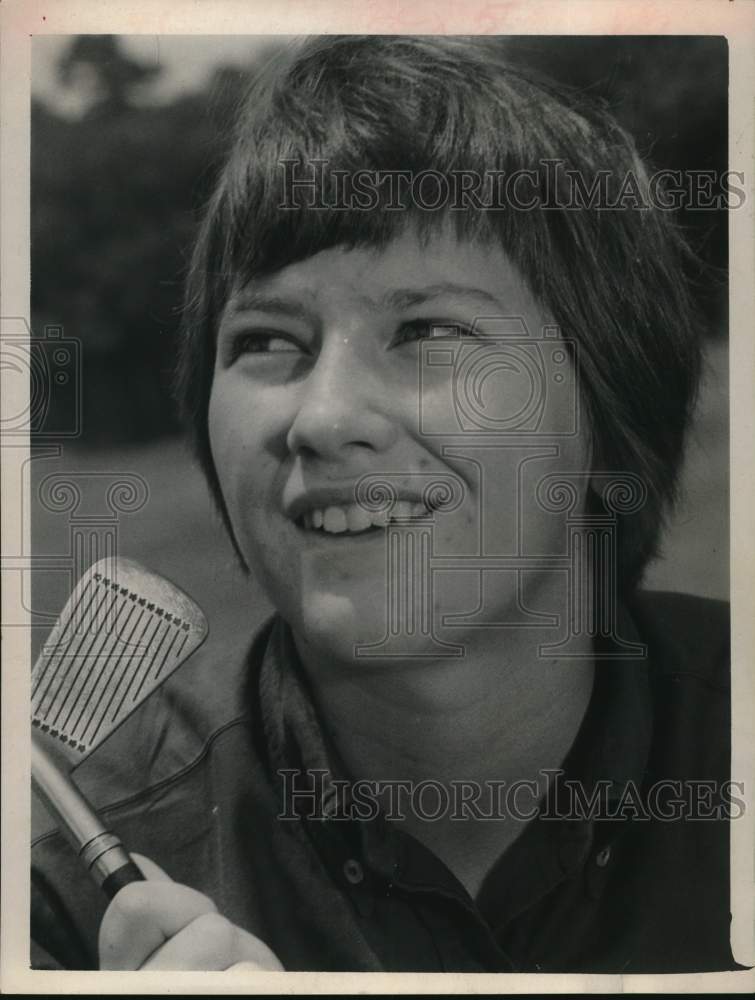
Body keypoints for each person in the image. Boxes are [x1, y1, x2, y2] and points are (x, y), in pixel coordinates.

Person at [31, 35, 737, 972]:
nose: (322, 419)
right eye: (268, 341)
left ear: (609, 399)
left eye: (428, 328)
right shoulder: (52, 877)